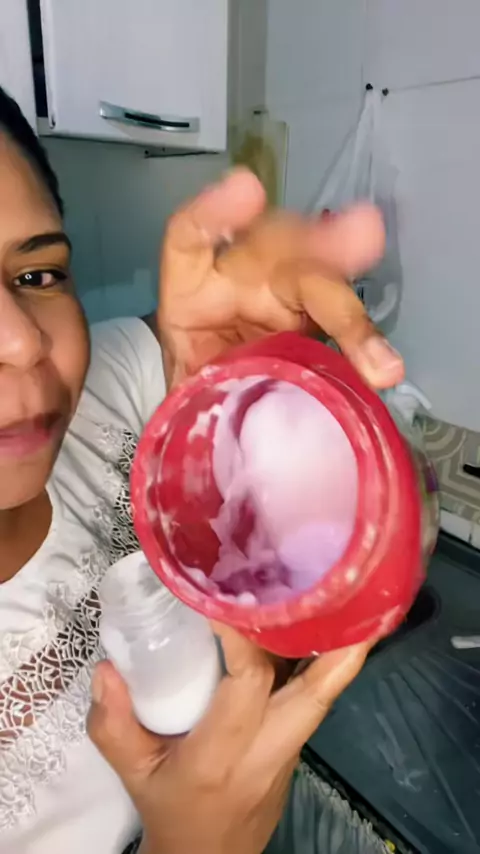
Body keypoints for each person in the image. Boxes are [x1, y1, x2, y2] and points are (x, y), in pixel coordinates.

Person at [0, 84, 404, 854]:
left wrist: (247, 357)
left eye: (36, 275)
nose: (22, 343)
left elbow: (197, 349)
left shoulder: (97, 390)